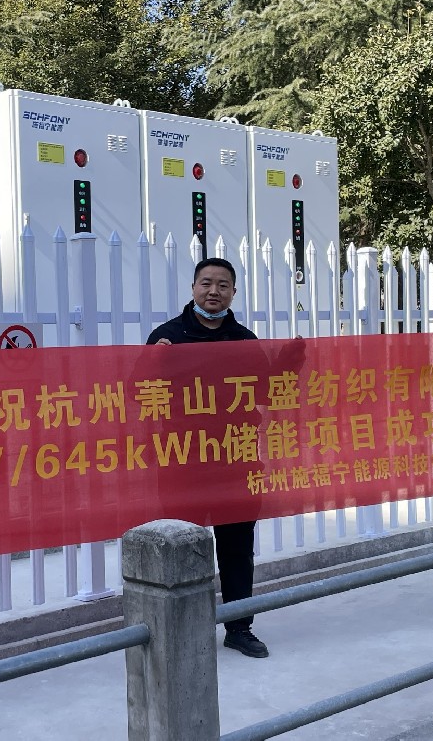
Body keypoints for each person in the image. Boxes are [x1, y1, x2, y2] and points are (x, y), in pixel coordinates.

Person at [145, 256, 269, 658]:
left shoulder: (244, 340)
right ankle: (184, 630)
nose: (214, 291)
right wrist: (153, 365)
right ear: (193, 288)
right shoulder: (167, 337)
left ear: (233, 293)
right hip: (184, 463)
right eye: (206, 283)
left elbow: (265, 391)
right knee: (184, 546)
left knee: (237, 549)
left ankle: (239, 627)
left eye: (223, 285)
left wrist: (290, 364)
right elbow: (137, 393)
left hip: (236, 458)